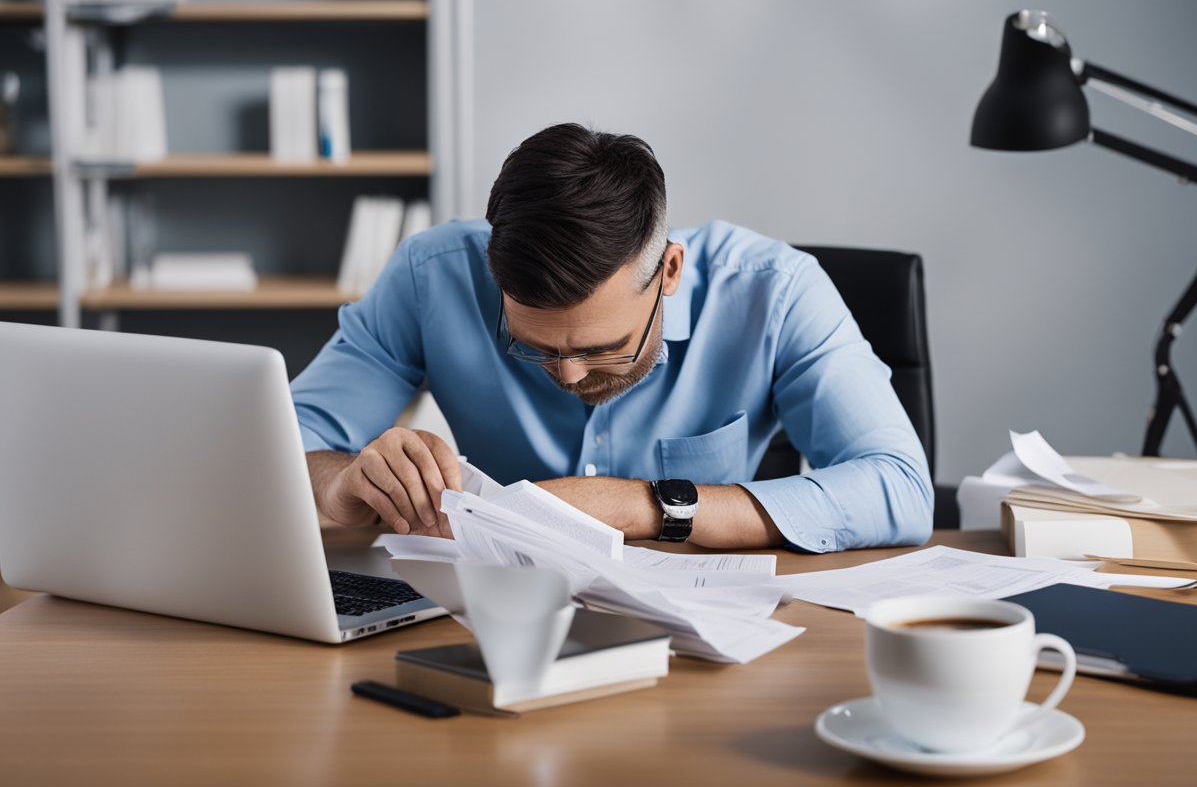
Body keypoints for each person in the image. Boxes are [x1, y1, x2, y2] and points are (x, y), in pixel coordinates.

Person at [291, 123, 932, 552]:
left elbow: (900, 487)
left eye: (602, 348)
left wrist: (643, 507)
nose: (568, 376)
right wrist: (340, 482)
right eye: (534, 345)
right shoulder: (432, 276)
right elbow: (283, 442)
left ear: (670, 272)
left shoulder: (777, 291)